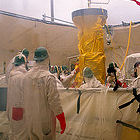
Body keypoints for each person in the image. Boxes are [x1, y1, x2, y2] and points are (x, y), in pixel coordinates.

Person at [23, 47, 66, 140]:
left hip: (30, 120)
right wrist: (61, 118)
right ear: (47, 59)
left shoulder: (26, 76)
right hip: (45, 122)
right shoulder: (48, 77)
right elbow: (54, 101)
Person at [7, 55, 28, 140]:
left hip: (11, 109)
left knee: (14, 132)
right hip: (20, 110)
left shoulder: (11, 77)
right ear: (24, 64)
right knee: (21, 134)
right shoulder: (23, 77)